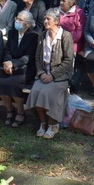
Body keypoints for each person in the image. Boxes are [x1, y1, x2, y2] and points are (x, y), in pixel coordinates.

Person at [26, 9, 74, 139]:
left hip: (60, 77)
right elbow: (37, 58)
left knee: (48, 93)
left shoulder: (65, 36)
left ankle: (53, 124)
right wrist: (41, 73)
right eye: (45, 19)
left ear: (57, 21)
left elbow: (68, 61)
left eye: (49, 19)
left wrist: (52, 75)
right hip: (43, 75)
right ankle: (43, 123)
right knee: (36, 91)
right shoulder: (42, 36)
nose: (46, 21)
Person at [0, 11, 38, 128]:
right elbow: (8, 50)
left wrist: (13, 64)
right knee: (2, 82)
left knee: (14, 84)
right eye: (17, 19)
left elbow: (29, 57)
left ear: (28, 24)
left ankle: (20, 112)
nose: (17, 21)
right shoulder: (12, 33)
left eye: (20, 20)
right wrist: (7, 63)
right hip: (9, 66)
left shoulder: (33, 36)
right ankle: (10, 111)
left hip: (25, 69)